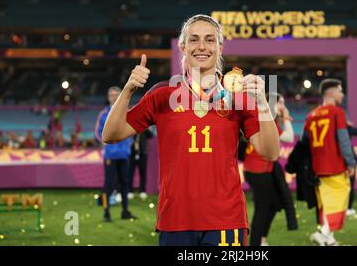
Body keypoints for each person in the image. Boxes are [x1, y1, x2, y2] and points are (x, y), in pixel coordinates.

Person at [101, 14, 280, 246]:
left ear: (220, 46)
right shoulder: (163, 94)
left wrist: (263, 103)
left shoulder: (238, 96)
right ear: (183, 46)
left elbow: (271, 152)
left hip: (226, 219)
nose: (202, 47)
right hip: (175, 219)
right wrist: (128, 89)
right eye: (194, 40)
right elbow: (110, 135)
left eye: (209, 40)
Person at [303, 78, 356, 246]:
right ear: (332, 93)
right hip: (335, 166)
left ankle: (329, 239)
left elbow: (305, 143)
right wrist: (351, 162)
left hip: (317, 167)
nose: (343, 94)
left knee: (326, 202)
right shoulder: (337, 112)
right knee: (340, 201)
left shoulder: (311, 116)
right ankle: (323, 232)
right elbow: (344, 140)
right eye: (340, 91)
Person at [243, 93, 297, 246]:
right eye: (281, 103)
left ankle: (261, 239)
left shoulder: (263, 116)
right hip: (258, 171)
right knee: (262, 209)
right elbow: (289, 137)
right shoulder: (265, 119)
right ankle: (255, 244)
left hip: (258, 170)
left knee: (273, 204)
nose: (283, 107)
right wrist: (286, 117)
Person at [95, 86, 136, 222]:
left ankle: (125, 211)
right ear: (108, 98)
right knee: (108, 184)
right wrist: (103, 142)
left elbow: (134, 128)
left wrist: (129, 142)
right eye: (111, 95)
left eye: (116, 95)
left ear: (120, 96)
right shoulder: (103, 114)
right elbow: (97, 132)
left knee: (125, 183)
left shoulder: (127, 112)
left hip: (124, 154)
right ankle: (106, 212)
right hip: (110, 155)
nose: (113, 97)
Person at [128, 128, 153, 200]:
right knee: (130, 173)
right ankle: (130, 191)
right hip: (132, 153)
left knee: (143, 172)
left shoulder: (144, 128)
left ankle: (142, 190)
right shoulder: (131, 128)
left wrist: (147, 128)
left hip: (142, 153)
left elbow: (150, 136)